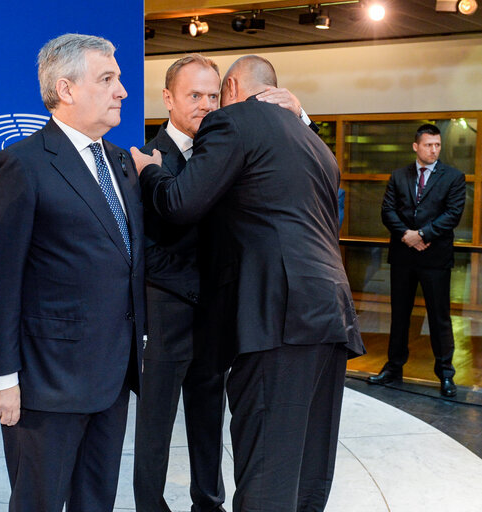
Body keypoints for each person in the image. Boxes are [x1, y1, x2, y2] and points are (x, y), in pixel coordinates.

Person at [132, 55, 364, 511]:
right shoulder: (312, 140)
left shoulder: (233, 124)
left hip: (275, 318)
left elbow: (179, 203)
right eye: (194, 96)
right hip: (327, 315)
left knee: (266, 469)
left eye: (214, 95)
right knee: (308, 468)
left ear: (232, 89)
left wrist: (147, 172)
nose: (208, 106)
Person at [0, 34, 145, 512]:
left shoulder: (119, 163)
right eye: (108, 79)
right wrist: (1, 377)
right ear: (66, 89)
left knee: (97, 502)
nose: (122, 91)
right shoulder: (23, 164)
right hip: (45, 385)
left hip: (112, 377)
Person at [371, 123, 466, 397]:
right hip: (403, 256)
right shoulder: (399, 175)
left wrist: (422, 234)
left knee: (439, 318)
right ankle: (393, 368)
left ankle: (446, 374)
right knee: (400, 315)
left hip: (435, 257)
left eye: (437, 145)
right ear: (416, 146)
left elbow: (452, 214)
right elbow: (388, 210)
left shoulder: (453, 177)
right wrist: (406, 235)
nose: (434, 150)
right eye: (428, 145)